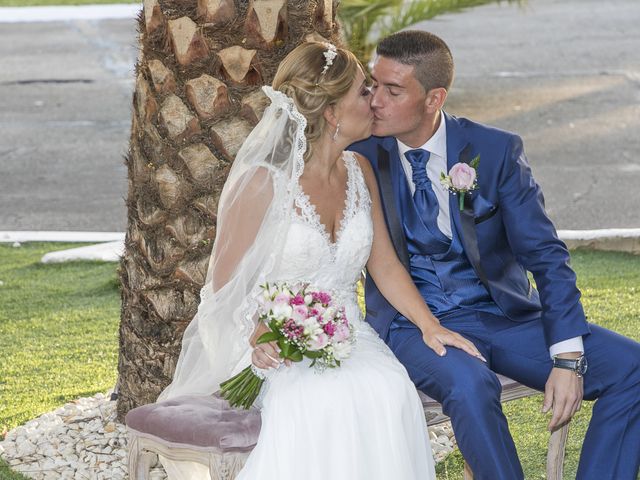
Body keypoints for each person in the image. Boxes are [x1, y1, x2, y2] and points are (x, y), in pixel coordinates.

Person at [157, 41, 483, 480]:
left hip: (349, 334)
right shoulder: (263, 183)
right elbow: (222, 284)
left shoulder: (359, 172)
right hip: (266, 341)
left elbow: (384, 266)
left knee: (388, 391)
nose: (375, 102)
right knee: (318, 402)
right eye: (363, 93)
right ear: (331, 112)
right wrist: (258, 333)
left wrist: (430, 325)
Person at [350, 30, 640, 480]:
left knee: (633, 369)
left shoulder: (495, 151)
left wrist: (566, 359)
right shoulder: (357, 152)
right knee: (470, 384)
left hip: (501, 316)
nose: (375, 101)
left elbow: (545, 255)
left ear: (434, 98)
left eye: (392, 90)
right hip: (413, 325)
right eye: (373, 84)